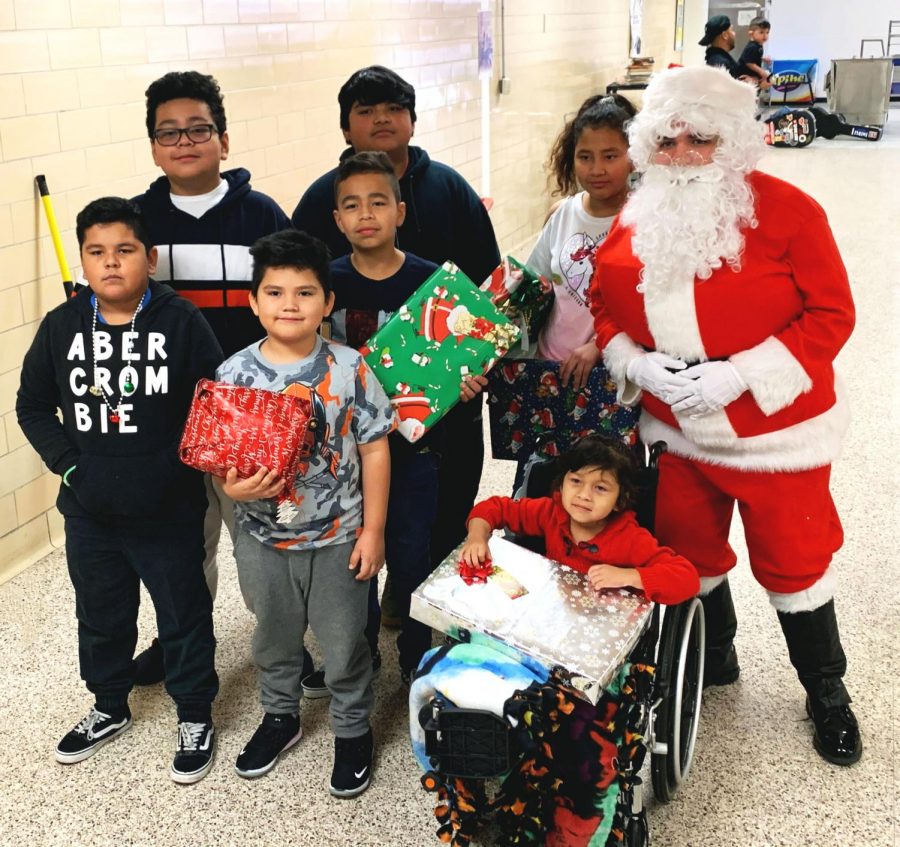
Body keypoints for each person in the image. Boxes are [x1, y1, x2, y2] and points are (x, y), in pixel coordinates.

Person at [589, 66, 861, 765]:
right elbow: (603, 302)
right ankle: (715, 657)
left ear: (735, 143)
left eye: (701, 139)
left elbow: (832, 314)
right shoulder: (635, 215)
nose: (681, 154)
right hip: (676, 433)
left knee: (797, 566)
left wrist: (740, 374)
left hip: (776, 439)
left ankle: (826, 690)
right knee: (687, 555)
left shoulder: (791, 212)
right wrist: (634, 360)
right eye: (667, 139)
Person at [16, 197, 221, 783]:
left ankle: (194, 714)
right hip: (90, 512)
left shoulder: (180, 321)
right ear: (83, 262)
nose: (111, 263)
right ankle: (108, 705)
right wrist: (73, 469)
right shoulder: (62, 324)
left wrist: (176, 470)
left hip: (168, 510)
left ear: (150, 258)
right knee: (101, 616)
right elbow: (32, 406)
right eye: (96, 252)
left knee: (183, 615)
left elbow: (214, 404)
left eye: (125, 250)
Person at [291, 65, 501, 591]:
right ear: (346, 129)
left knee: (439, 509)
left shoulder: (451, 188)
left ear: (411, 120)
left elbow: (486, 295)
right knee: (356, 515)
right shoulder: (322, 197)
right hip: (346, 419)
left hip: (442, 409)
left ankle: (428, 603)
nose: (381, 119)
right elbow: (293, 289)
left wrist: (472, 369)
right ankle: (357, 608)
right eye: (365, 111)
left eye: (393, 109)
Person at [215, 229, 394, 796]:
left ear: (328, 303)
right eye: (274, 292)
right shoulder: (233, 374)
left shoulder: (350, 368)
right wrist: (232, 488)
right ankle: (280, 715)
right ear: (253, 301)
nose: (289, 304)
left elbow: (374, 448)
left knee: (343, 643)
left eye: (304, 292)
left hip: (339, 535)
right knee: (273, 636)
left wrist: (374, 530)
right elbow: (220, 459)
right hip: (262, 539)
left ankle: (351, 729)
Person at [131, 70, 292, 685]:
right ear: (153, 146)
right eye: (168, 133)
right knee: (182, 546)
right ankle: (181, 641)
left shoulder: (262, 215)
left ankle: (282, 645)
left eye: (198, 129)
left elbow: (290, 308)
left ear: (223, 140)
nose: (184, 142)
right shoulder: (137, 222)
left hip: (247, 416)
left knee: (256, 543)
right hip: (167, 418)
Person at [314, 151, 487, 689]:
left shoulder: (434, 283)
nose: (366, 214)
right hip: (343, 460)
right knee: (352, 567)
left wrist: (465, 382)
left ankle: (416, 655)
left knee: (412, 559)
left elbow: (464, 359)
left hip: (415, 454)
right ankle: (358, 656)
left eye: (378, 202)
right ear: (338, 219)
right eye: (351, 205)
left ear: (400, 212)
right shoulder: (323, 284)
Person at [461, 435, 699, 606]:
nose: (584, 495)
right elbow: (494, 508)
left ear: (619, 500)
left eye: (600, 488)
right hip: (552, 611)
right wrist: (476, 538)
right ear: (562, 484)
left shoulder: (629, 538)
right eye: (576, 481)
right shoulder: (552, 512)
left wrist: (629, 576)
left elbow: (687, 578)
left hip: (603, 630)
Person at [527, 94, 636, 390]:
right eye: (585, 156)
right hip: (548, 368)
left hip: (610, 376)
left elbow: (651, 308)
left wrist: (601, 345)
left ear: (633, 157)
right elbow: (531, 287)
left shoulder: (643, 220)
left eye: (610, 156)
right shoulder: (562, 214)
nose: (596, 169)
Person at [737, 17, 772, 88]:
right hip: (745, 74)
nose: (765, 36)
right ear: (751, 33)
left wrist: (762, 58)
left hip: (751, 74)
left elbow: (753, 57)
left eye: (767, 32)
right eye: (761, 32)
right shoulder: (752, 47)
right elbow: (749, 63)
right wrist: (761, 72)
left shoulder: (758, 44)